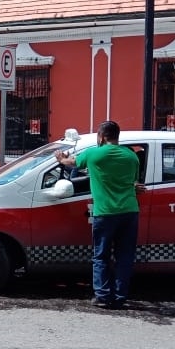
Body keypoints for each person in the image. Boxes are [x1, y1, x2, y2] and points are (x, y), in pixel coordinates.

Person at [54, 120, 142, 309]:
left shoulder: (94, 154)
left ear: (101, 136)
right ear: (117, 137)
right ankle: (120, 296)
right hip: (129, 211)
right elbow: (132, 182)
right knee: (124, 256)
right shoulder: (132, 156)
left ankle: (103, 296)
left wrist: (61, 158)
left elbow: (71, 162)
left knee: (101, 255)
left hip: (105, 212)